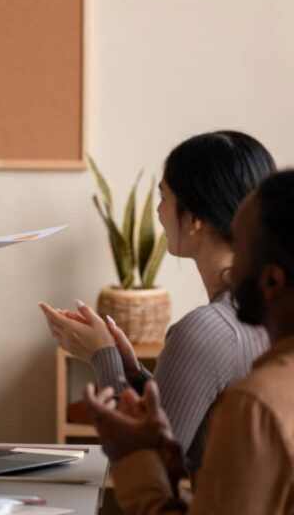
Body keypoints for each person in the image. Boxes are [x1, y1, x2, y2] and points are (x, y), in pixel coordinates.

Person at [39, 131, 275, 478]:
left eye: (163, 197)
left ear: (194, 219)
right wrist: (133, 374)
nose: (158, 211)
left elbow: (150, 469)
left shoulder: (206, 330)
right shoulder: (268, 312)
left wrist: (102, 358)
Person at [86, 169, 294, 514]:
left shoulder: (255, 404)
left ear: (271, 280)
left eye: (239, 253)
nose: (230, 270)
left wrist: (134, 459)